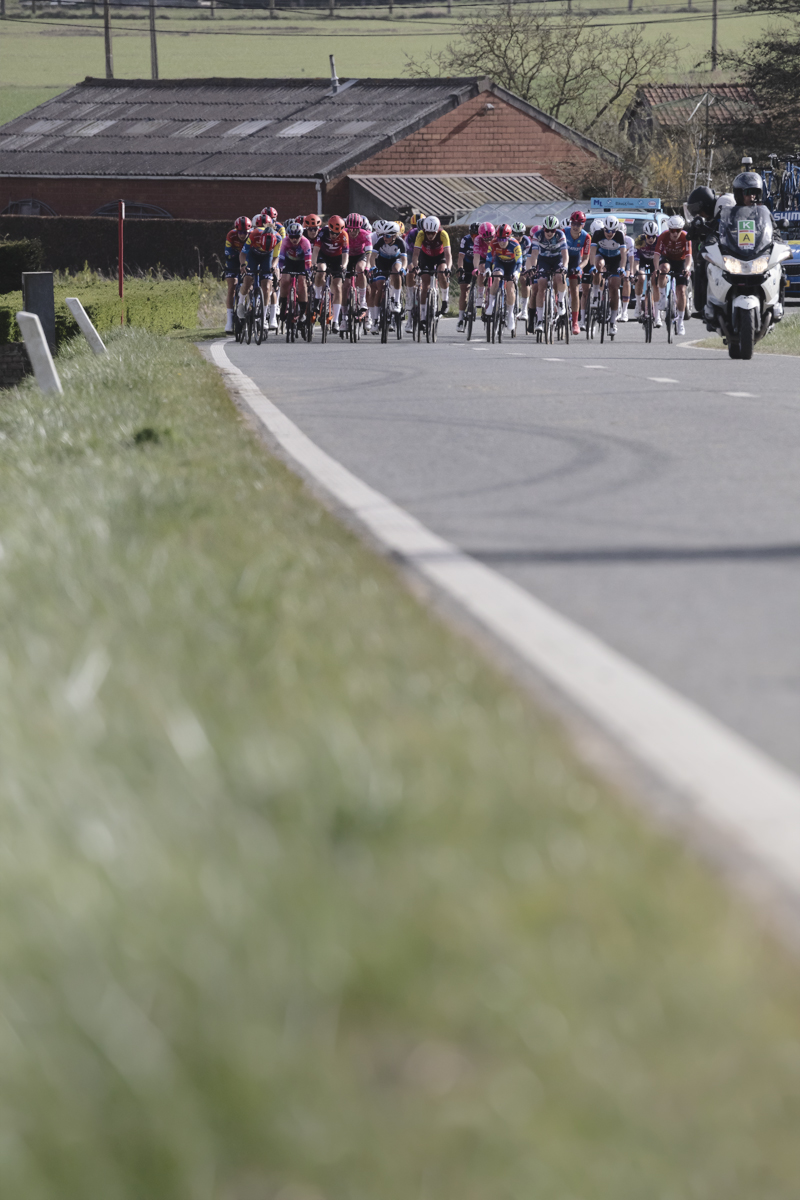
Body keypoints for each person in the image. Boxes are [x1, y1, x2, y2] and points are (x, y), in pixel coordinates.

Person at [408, 215, 452, 333]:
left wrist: (448, 267)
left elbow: (448, 255)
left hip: (440, 256)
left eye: (433, 233)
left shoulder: (443, 234)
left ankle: (445, 300)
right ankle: (422, 318)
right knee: (425, 284)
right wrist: (416, 266)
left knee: (442, 273)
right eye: (428, 233)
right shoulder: (421, 234)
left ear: (437, 230)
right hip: (426, 257)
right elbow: (415, 254)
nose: (430, 236)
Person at [527, 215, 568, 333]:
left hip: (557, 259)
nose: (550, 233)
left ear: (556, 230)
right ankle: (539, 320)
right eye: (547, 230)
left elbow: (565, 254)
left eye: (552, 230)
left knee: (560, 277)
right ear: (543, 228)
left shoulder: (560, 235)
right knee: (541, 285)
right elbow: (534, 253)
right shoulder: (537, 235)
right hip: (544, 260)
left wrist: (564, 267)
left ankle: (560, 301)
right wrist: (534, 267)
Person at [652, 214, 693, 335]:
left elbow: (689, 256)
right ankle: (663, 297)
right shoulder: (663, 236)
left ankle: (680, 321)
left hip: (681, 262)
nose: (675, 234)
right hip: (668, 259)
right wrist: (656, 269)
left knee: (681, 291)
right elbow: (656, 255)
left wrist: (687, 268)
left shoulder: (686, 237)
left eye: (678, 230)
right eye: (672, 231)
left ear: (682, 229)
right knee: (663, 268)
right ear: (669, 229)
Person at [238, 214, 281, 327]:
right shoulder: (254, 234)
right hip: (253, 254)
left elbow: (276, 257)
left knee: (267, 287)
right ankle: (241, 302)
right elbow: (243, 253)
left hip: (268, 256)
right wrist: (243, 265)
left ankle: (264, 317)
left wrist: (273, 266)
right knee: (248, 280)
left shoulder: (278, 239)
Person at [589, 215, 627, 335]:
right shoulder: (598, 234)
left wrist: (622, 268)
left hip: (615, 260)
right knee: (598, 264)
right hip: (603, 256)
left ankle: (612, 322)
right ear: (603, 228)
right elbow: (593, 252)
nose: (609, 233)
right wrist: (592, 266)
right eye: (607, 230)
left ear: (616, 230)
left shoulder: (620, 235)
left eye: (612, 231)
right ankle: (595, 295)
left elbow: (623, 254)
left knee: (614, 288)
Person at [311, 215, 349, 334]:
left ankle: (336, 320)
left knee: (337, 286)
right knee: (320, 269)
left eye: (336, 234)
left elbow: (345, 254)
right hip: (324, 256)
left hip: (337, 259)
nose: (334, 236)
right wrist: (313, 263)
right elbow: (316, 250)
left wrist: (344, 265)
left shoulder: (344, 236)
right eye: (332, 233)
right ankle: (317, 297)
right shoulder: (322, 232)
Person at [484, 223, 522, 332]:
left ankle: (510, 314)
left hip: (512, 265)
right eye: (499, 239)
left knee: (510, 288)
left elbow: (519, 262)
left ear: (509, 238)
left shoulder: (515, 245)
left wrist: (516, 273)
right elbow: (488, 260)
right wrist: (487, 269)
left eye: (504, 240)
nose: (501, 242)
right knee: (496, 278)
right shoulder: (493, 242)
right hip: (500, 263)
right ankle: (491, 304)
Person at [369, 221, 407, 331]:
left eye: (388, 235)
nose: (385, 237)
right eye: (384, 235)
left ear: (395, 236)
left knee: (396, 272)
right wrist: (373, 267)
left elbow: (404, 259)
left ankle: (396, 301)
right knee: (379, 286)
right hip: (382, 261)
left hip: (395, 260)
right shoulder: (381, 241)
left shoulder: (401, 242)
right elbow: (373, 256)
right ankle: (375, 321)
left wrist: (403, 269)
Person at [278, 220, 313, 330]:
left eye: (296, 237)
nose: (294, 239)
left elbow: (308, 262)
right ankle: (283, 304)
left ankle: (302, 311)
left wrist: (309, 274)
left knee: (302, 282)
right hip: (289, 262)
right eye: (291, 236)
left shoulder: (305, 242)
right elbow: (281, 259)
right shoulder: (285, 242)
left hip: (302, 263)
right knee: (284, 280)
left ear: (301, 235)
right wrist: (280, 272)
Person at [563, 210, 590, 335]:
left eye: (578, 224)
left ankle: (575, 322)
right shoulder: (563, 232)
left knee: (574, 290)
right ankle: (556, 305)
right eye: (573, 223)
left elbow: (585, 259)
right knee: (557, 282)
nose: (575, 226)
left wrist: (579, 268)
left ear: (582, 225)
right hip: (562, 259)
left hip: (575, 261)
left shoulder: (587, 237)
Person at [344, 213, 373, 329]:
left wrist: (368, 266)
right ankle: (344, 316)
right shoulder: (344, 233)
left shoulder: (365, 235)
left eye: (356, 229)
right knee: (345, 285)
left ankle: (362, 300)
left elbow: (369, 254)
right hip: (346, 256)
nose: (353, 232)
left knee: (360, 269)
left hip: (360, 256)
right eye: (351, 229)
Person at [224, 215, 250, 332]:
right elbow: (228, 254)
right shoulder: (231, 235)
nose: (242, 235)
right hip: (233, 259)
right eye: (240, 232)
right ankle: (229, 321)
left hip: (248, 259)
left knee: (249, 282)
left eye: (245, 232)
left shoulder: (252, 236)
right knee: (232, 285)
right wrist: (238, 264)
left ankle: (250, 311)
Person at [632, 220, 660, 321]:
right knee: (641, 277)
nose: (651, 239)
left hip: (655, 260)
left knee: (655, 281)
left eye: (653, 236)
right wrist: (635, 272)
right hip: (643, 259)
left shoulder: (659, 241)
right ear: (645, 235)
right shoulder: (639, 240)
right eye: (648, 236)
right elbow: (636, 260)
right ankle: (638, 304)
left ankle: (658, 313)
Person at [456, 223, 480, 330]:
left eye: (477, 236)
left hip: (480, 263)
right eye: (473, 235)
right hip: (467, 264)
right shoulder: (465, 240)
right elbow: (461, 256)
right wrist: (460, 268)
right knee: (464, 289)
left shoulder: (483, 241)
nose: (474, 238)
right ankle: (461, 319)